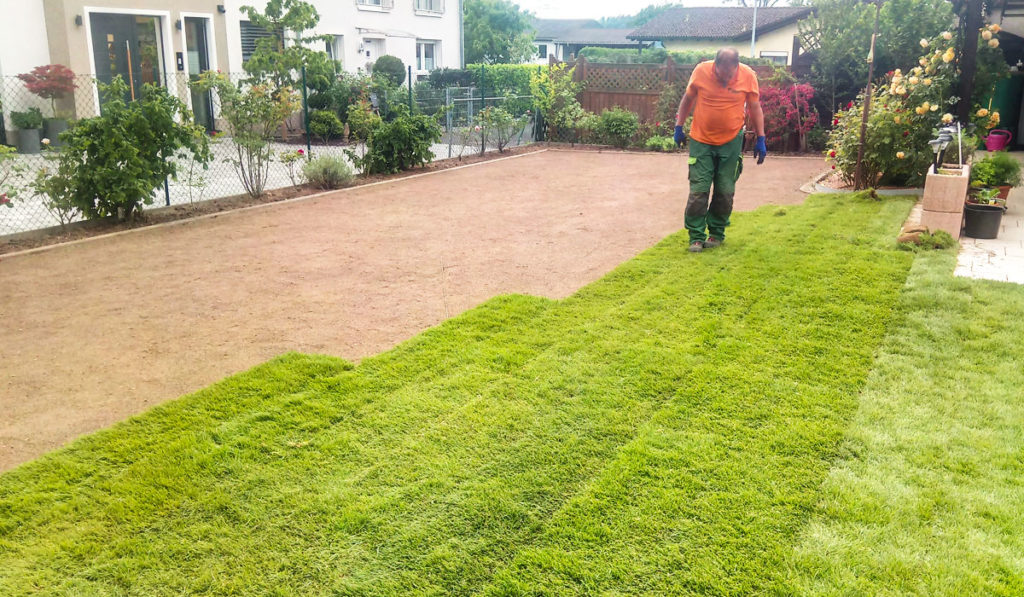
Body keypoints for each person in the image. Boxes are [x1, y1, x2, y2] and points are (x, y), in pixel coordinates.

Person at [674, 48, 767, 253]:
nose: (725, 78)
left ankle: (716, 232)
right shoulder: (701, 71)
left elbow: (754, 107)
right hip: (701, 140)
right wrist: (678, 126)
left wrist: (761, 137)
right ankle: (696, 236)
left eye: (729, 74)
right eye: (720, 73)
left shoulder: (748, 75)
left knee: (725, 191)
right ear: (715, 65)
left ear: (736, 67)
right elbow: (687, 99)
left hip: (731, 140)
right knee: (699, 190)